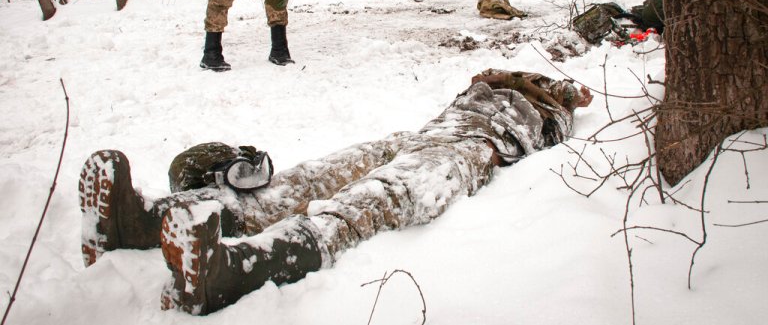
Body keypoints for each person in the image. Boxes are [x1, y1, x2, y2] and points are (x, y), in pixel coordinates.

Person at [78, 70, 592, 315]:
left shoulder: (554, 110)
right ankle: (144, 221)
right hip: (423, 134)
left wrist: (552, 95)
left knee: (379, 197)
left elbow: (572, 100)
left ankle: (240, 270)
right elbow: (489, 77)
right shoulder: (506, 82)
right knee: (312, 177)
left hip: (474, 147)